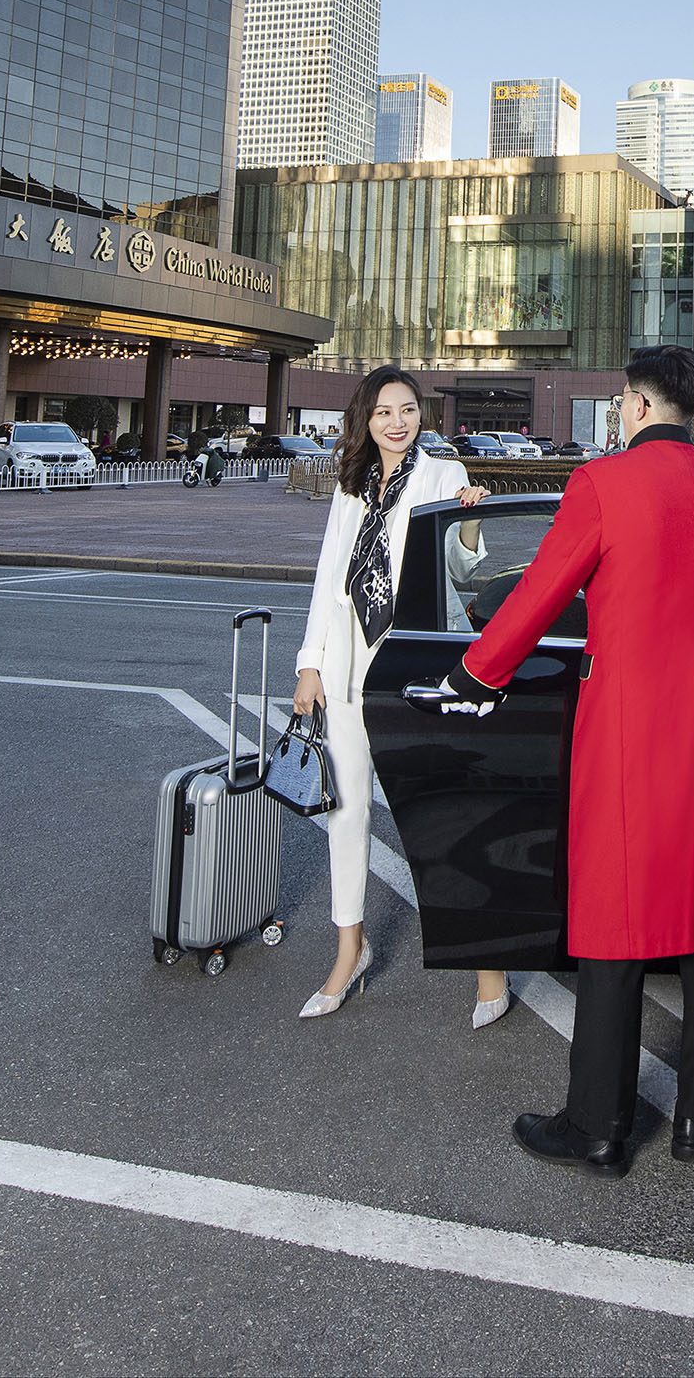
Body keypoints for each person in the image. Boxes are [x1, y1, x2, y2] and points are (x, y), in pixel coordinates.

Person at [443, 345, 694, 1177]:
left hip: (629, 727)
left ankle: (596, 1126)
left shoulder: (601, 485)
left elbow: (541, 591)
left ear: (632, 406)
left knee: (614, 924)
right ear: (689, 410)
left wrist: (474, 671)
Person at [291, 366, 504, 1025]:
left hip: (413, 661)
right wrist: (309, 665)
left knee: (437, 809)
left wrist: (469, 523)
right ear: (367, 418)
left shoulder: (441, 476)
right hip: (351, 664)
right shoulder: (352, 483)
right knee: (347, 810)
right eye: (383, 411)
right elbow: (332, 577)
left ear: (421, 416)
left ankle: (486, 965)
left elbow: (464, 573)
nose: (396, 421)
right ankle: (348, 950)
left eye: (407, 409)